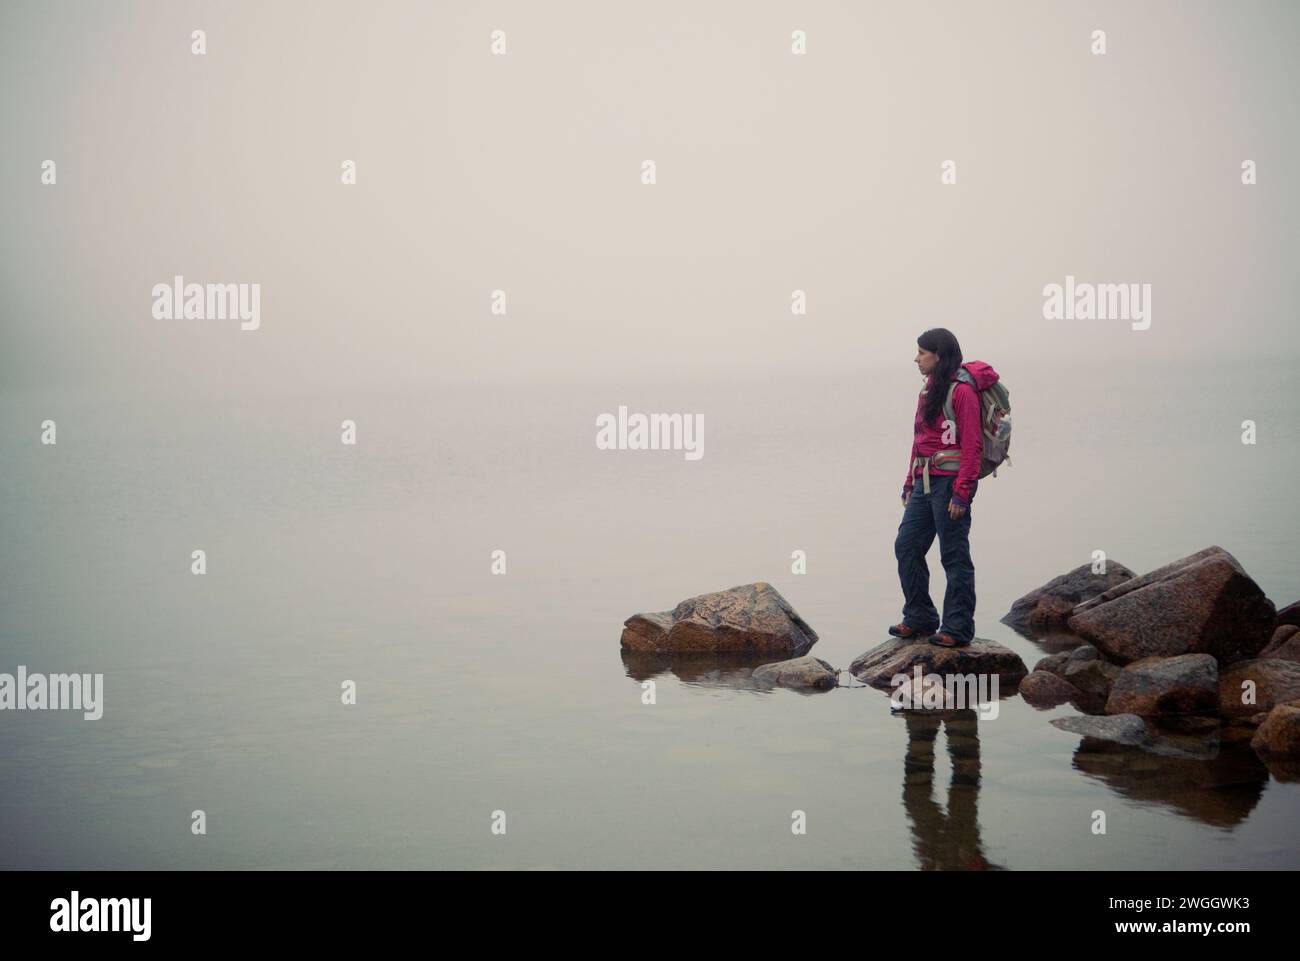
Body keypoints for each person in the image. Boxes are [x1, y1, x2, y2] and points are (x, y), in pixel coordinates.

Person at [890, 328, 995, 649]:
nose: (916, 358)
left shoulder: (962, 392)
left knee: (954, 556)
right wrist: (909, 482)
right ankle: (920, 617)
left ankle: (958, 628)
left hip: (950, 484)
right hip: (923, 482)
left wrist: (962, 492)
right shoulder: (928, 391)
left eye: (922, 353)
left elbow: (973, 445)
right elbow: (919, 440)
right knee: (906, 546)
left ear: (939, 355)